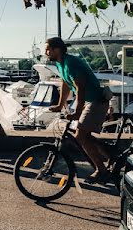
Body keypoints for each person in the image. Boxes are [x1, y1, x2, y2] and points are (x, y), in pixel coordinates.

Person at [45, 37, 113, 183]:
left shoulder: (71, 62)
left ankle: (102, 171)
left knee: (81, 136)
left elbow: (79, 88)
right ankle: (109, 153)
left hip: (96, 100)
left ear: (57, 50)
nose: (46, 52)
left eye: (48, 49)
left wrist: (77, 112)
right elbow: (65, 84)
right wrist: (59, 105)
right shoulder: (60, 64)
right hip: (89, 101)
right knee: (82, 136)